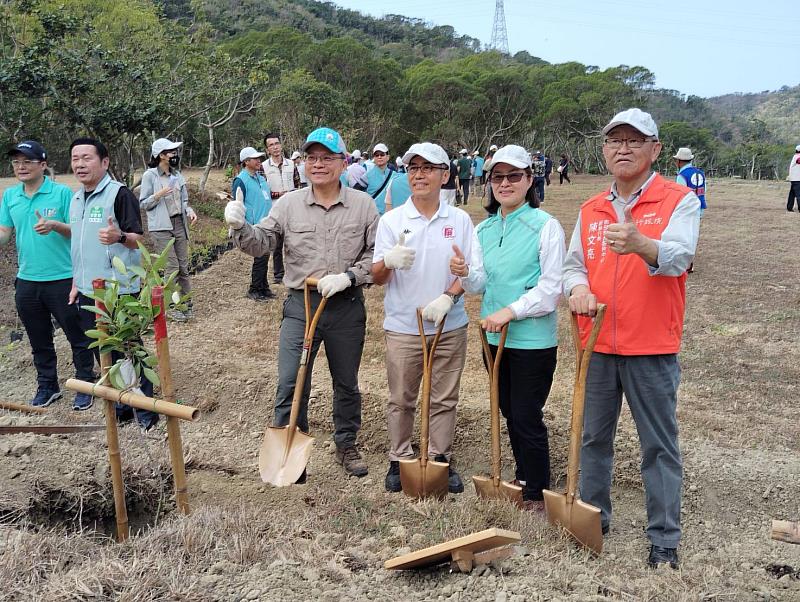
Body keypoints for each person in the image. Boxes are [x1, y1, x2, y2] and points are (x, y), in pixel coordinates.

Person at [563, 108, 700, 569]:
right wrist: (578, 288)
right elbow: (573, 265)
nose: (623, 148)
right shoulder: (590, 209)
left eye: (634, 140)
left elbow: (681, 258)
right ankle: (593, 518)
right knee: (593, 438)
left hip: (651, 348)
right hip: (597, 344)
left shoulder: (677, 200)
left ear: (655, 149)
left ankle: (664, 538)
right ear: (603, 149)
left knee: (658, 446)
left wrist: (643, 244)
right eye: (614, 140)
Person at [224, 127, 379, 480]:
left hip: (345, 304)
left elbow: (376, 254)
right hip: (300, 305)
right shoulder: (289, 204)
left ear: (343, 163)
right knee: (291, 380)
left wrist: (350, 276)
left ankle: (345, 443)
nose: (319, 164)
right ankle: (290, 446)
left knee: (346, 382)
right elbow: (261, 243)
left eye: (327, 158)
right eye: (312, 158)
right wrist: (239, 226)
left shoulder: (363, 205)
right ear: (304, 163)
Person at [451, 145, 565, 511]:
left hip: (532, 340)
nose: (504, 183)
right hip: (493, 338)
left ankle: (535, 489)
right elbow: (481, 283)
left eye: (513, 176)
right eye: (497, 177)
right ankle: (523, 474)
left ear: (529, 180)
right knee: (507, 409)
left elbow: (550, 290)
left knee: (526, 413)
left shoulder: (545, 226)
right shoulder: (482, 229)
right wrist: (465, 274)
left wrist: (511, 312)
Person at [372, 142, 472, 494]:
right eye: (413, 168)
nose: (419, 174)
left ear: (445, 174)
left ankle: (439, 458)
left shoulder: (459, 220)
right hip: (403, 326)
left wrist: (449, 296)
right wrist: (388, 262)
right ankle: (400, 458)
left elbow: (470, 271)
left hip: (448, 324)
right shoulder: (392, 221)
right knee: (401, 397)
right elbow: (377, 275)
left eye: (428, 168)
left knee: (444, 397)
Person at [68, 138, 159, 430]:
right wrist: (75, 282)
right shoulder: (77, 198)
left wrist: (118, 236)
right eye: (75, 158)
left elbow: (139, 240)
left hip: (118, 289)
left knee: (130, 349)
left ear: (104, 162)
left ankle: (145, 410)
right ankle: (122, 403)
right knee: (103, 350)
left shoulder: (119, 195)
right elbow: (79, 247)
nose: (80, 164)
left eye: (86, 158)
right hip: (86, 289)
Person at [0, 140, 95, 409]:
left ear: (43, 165)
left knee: (78, 336)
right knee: (38, 338)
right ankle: (47, 386)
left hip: (63, 278)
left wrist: (55, 225)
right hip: (28, 280)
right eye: (17, 162)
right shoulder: (10, 196)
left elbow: (78, 231)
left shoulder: (63, 194)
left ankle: (85, 384)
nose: (21, 166)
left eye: (28, 161)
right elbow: (5, 234)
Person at [139, 138, 198, 322]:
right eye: (171, 152)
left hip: (179, 224)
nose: (174, 155)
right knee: (171, 267)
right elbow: (143, 203)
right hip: (161, 228)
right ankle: (172, 307)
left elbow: (184, 200)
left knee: (183, 267)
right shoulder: (150, 176)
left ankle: (187, 305)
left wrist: (189, 210)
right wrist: (158, 195)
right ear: (161, 156)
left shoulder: (177, 175)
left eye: (174, 152)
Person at [232, 147, 273, 301]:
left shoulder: (261, 178)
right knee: (260, 257)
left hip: (267, 224)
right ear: (246, 162)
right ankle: (254, 289)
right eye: (255, 158)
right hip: (253, 227)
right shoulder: (241, 180)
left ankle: (264, 287)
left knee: (264, 257)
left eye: (259, 158)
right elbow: (237, 204)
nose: (258, 161)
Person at [263, 133, 297, 285]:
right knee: (276, 245)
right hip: (275, 210)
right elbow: (263, 190)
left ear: (281, 145)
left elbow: (299, 185)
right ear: (267, 149)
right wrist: (279, 193)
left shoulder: (291, 164)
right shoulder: (263, 167)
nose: (275, 147)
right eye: (271, 145)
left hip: (292, 209)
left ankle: (295, 272)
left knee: (295, 243)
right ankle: (278, 274)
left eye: (277, 143)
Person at [674, 147, 706, 274]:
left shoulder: (682, 175)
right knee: (693, 235)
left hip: (686, 210)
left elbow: (679, 194)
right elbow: (704, 191)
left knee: (683, 236)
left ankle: (685, 263)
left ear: (680, 161)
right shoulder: (701, 173)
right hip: (699, 208)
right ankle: (690, 263)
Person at [365, 143, 395, 215]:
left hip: (389, 215)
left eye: (382, 154)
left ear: (388, 157)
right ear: (374, 158)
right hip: (372, 216)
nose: (379, 157)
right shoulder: (366, 176)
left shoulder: (394, 175)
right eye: (376, 155)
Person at [786, 144, 800, 212]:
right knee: (798, 194)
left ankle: (789, 207)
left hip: (794, 178)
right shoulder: (798, 157)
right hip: (798, 179)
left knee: (792, 193)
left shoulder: (795, 156)